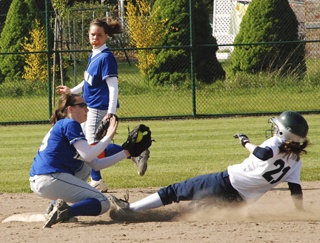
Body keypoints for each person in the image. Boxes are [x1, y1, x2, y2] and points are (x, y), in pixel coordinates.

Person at [108, 111, 309, 219]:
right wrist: (299, 211)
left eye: (277, 127)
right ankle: (155, 215)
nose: (274, 129)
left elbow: (263, 154)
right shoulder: (296, 161)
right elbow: (295, 190)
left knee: (174, 191)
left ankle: (131, 210)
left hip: (225, 183)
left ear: (284, 132)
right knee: (197, 208)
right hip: (240, 201)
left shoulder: (275, 143)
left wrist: (245, 142)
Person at [56, 17, 149, 193]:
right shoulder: (94, 54)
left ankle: (98, 179)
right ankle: (135, 152)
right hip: (88, 107)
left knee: (90, 146)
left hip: (99, 107)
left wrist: (111, 113)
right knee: (86, 144)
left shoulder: (106, 57)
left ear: (106, 36)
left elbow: (113, 86)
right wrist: (71, 92)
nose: (95, 38)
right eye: (92, 34)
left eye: (99, 35)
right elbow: (87, 82)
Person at [29, 93, 138, 228]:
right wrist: (109, 136)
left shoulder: (66, 125)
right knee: (103, 202)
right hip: (49, 178)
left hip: (45, 179)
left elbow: (95, 164)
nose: (87, 109)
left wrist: (126, 153)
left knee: (85, 167)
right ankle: (65, 211)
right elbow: (88, 155)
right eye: (82, 105)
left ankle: (54, 207)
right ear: (70, 109)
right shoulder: (70, 123)